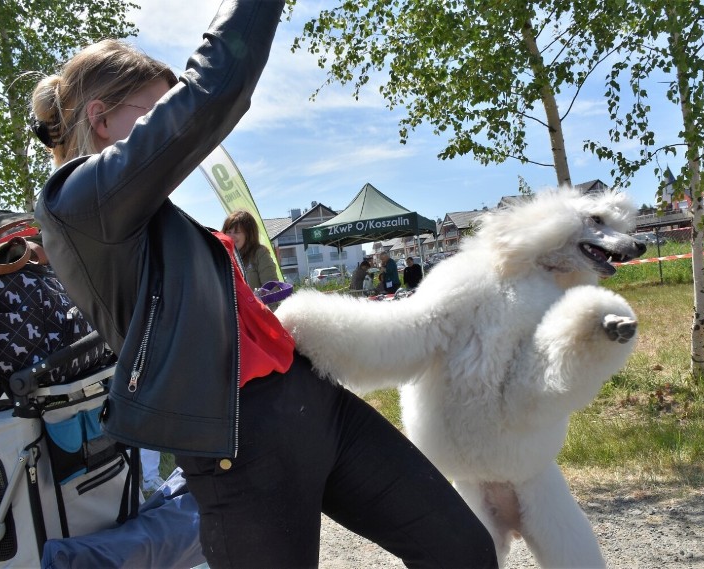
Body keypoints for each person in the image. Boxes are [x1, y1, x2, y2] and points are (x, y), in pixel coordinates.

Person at [31, 2, 498, 567]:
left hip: (314, 405)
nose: (169, 128)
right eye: (155, 111)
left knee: (462, 549)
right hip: (241, 444)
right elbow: (214, 91)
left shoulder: (142, 214)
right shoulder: (77, 202)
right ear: (101, 118)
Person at [221, 210, 280, 291]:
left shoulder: (259, 253)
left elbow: (272, 290)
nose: (231, 237)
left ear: (248, 235)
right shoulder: (222, 257)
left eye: (237, 232)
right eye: (228, 232)